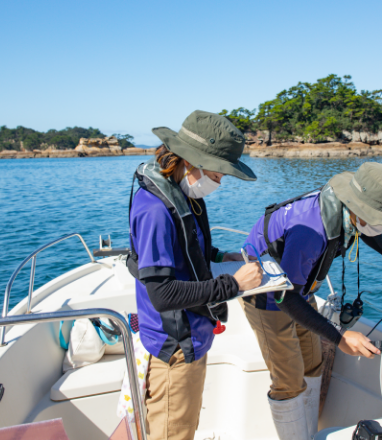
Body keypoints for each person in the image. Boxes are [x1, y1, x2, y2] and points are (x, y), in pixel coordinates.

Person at [240, 162, 382, 440]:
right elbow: (285, 297)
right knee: (289, 381)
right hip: (269, 294)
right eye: (381, 217)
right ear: (359, 207)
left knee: (312, 363)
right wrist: (340, 337)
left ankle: (307, 432)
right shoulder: (309, 231)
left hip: (299, 288)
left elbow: (366, 229)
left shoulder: (348, 210)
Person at [127, 110, 264, 440]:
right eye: (219, 172)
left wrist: (220, 256)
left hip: (193, 338)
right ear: (191, 161)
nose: (220, 181)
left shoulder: (184, 193)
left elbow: (187, 250)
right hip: (176, 347)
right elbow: (162, 295)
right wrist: (233, 284)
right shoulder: (155, 210)